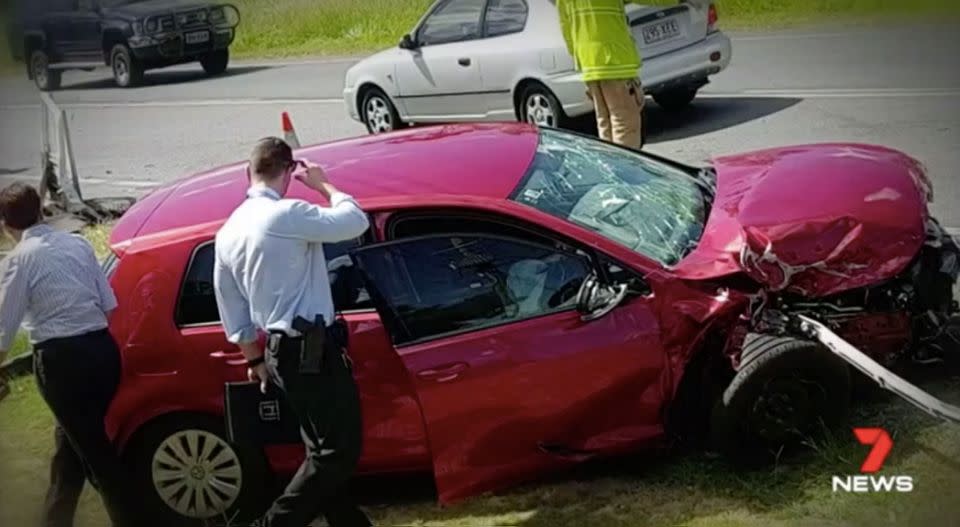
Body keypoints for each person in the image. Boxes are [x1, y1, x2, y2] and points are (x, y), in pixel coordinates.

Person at [213, 138, 372, 527]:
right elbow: (356, 222)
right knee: (337, 452)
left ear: (246, 174)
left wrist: (254, 360)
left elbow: (231, 307)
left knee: (319, 448)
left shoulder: (228, 231)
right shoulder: (286, 214)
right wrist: (323, 185)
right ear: (288, 171)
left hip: (279, 352)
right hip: (310, 349)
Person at [0, 183, 143, 527]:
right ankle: (55, 519)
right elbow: (108, 305)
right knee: (72, 445)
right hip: (102, 354)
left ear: (5, 225)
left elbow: (3, 330)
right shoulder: (78, 244)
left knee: (97, 457)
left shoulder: (19, 261)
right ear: (42, 211)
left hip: (62, 363)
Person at [558, 0, 646, 149]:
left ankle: (611, 169)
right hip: (614, 61)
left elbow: (565, 25)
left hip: (589, 64)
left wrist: (579, 56)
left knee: (604, 123)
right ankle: (625, 170)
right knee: (624, 125)